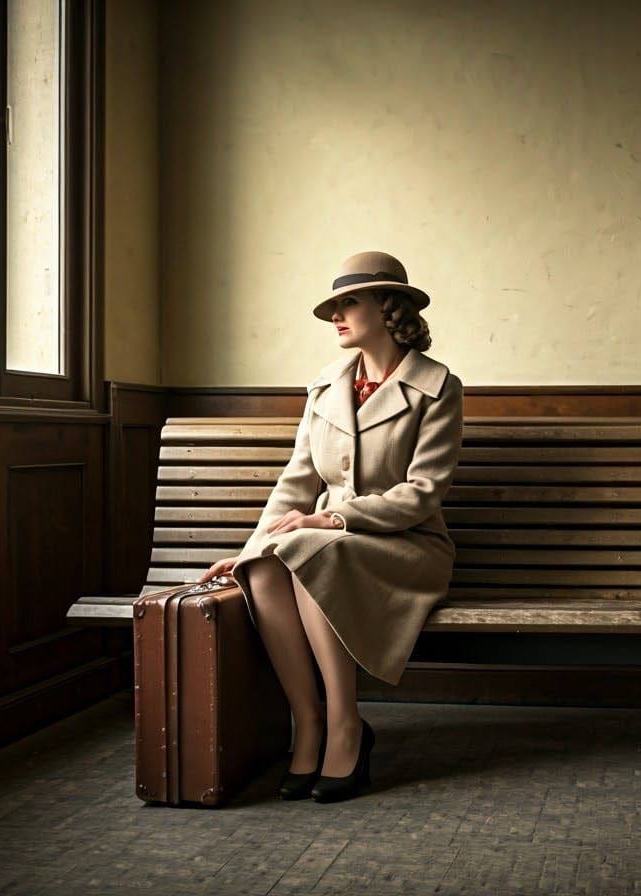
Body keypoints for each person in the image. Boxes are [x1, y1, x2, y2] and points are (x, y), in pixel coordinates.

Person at [197, 250, 464, 803]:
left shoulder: (438, 387)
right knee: (267, 568)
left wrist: (334, 517)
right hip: (324, 542)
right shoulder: (324, 388)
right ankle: (309, 722)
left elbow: (423, 493)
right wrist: (251, 549)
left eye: (350, 303)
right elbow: (295, 482)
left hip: (406, 547)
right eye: (334, 305)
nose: (337, 316)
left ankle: (346, 724)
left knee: (313, 552)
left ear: (388, 308)